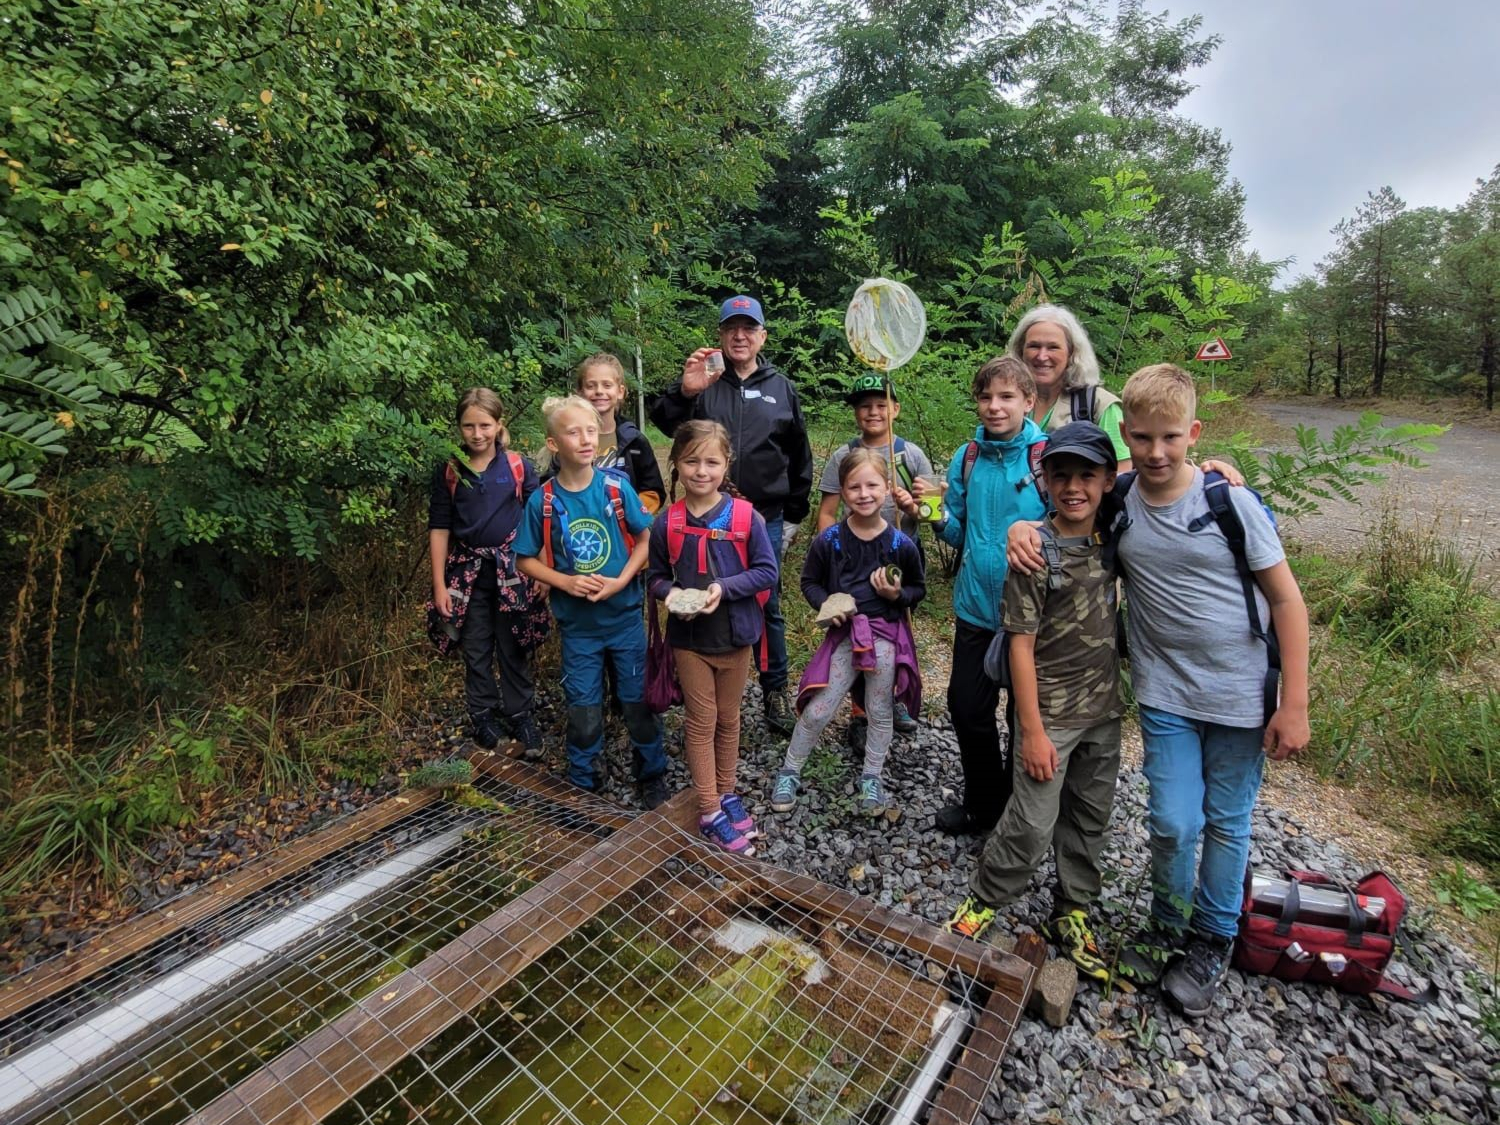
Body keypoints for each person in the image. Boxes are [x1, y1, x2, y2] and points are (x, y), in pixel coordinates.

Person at [1009, 363, 1311, 1018]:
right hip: (1166, 694)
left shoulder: (1229, 504)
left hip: (1240, 699)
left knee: (1226, 821)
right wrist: (1020, 527)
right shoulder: (1120, 501)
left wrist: (1295, 702)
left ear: (1193, 434)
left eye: (1170, 437)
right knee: (1173, 821)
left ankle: (1212, 938)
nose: (1155, 451)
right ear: (1127, 435)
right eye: (1142, 437)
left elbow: (1287, 600)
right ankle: (1168, 923)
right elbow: (1066, 509)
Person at [944, 422, 1124, 985]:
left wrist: (1217, 469)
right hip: (1049, 715)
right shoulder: (1033, 553)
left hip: (1104, 712)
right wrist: (1034, 730)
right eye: (1060, 475)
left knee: (1089, 817)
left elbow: (1167, 481)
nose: (1073, 487)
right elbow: (1019, 645)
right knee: (1031, 821)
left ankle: (1073, 909)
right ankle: (983, 900)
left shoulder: (1117, 533)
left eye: (1087, 475)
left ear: (1108, 481)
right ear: (1044, 480)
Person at [649, 295, 814, 736]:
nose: (740, 336)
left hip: (764, 514)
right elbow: (665, 424)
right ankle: (704, 683)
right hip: (706, 514)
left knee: (766, 600)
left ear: (762, 336)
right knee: (705, 593)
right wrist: (686, 391)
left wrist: (795, 512)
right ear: (721, 335)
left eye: (748, 328)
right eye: (731, 328)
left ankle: (774, 689)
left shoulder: (782, 388)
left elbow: (800, 453)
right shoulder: (705, 383)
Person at [515, 395, 669, 807]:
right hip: (578, 630)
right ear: (553, 444)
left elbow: (646, 539)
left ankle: (651, 772)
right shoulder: (543, 501)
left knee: (637, 702)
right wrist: (564, 582)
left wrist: (621, 581)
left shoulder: (616, 489)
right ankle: (584, 778)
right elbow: (524, 559)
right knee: (583, 709)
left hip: (624, 621)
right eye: (573, 432)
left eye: (590, 431)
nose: (585, 439)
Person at [646, 421, 778, 854]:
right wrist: (671, 594)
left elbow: (767, 571)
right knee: (702, 721)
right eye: (691, 461)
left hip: (737, 636)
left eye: (711, 462)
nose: (701, 471)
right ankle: (708, 809)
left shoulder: (745, 518)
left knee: (729, 718)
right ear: (676, 464)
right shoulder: (667, 522)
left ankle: (726, 791)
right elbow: (656, 577)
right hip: (689, 640)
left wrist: (724, 588)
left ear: (726, 464)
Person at [769, 450, 924, 819]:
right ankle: (790, 769)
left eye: (872, 485)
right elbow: (809, 582)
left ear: (887, 488)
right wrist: (828, 604)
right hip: (844, 637)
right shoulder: (830, 541)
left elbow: (917, 589)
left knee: (879, 709)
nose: (864, 493)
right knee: (819, 708)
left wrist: (896, 596)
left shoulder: (901, 544)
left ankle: (872, 776)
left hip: (884, 638)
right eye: (854, 487)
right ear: (842, 490)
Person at [931, 356, 1048, 836]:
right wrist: (934, 515)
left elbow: (1073, 524)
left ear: (1028, 401)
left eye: (1006, 397)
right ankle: (984, 804)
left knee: (1025, 718)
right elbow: (959, 532)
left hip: (1033, 616)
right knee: (967, 707)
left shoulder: (1047, 457)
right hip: (976, 607)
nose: (995, 406)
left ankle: (1020, 816)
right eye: (986, 397)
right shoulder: (968, 457)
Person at [816, 373, 938, 741]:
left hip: (900, 559)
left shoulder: (911, 455)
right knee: (857, 633)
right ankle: (860, 712)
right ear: (855, 412)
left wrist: (912, 506)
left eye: (880, 405)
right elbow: (827, 512)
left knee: (897, 631)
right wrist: (830, 555)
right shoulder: (843, 455)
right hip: (853, 561)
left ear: (895, 409)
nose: (873, 412)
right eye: (864, 406)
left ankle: (893, 695)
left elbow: (933, 514)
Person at [427, 388, 545, 756]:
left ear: (498, 424)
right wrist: (439, 585)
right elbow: (439, 528)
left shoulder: (518, 467)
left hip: (513, 572)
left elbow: (538, 519)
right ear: (459, 427)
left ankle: (520, 713)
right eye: (468, 426)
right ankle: (482, 713)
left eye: (484, 425)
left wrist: (543, 569)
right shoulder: (450, 471)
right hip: (468, 574)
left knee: (514, 643)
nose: (477, 434)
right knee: (475, 645)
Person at [1007, 304, 1132, 470]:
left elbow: (1120, 474)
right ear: (1020, 350)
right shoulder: (1004, 402)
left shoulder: (1099, 405)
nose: (1042, 356)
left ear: (1072, 353)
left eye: (1053, 347)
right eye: (1034, 346)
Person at [575, 352, 666, 513]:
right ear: (580, 392)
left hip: (624, 525)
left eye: (607, 385)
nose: (599, 391)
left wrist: (629, 513)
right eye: (591, 386)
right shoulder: (569, 439)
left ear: (620, 391)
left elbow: (653, 491)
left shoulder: (634, 441)